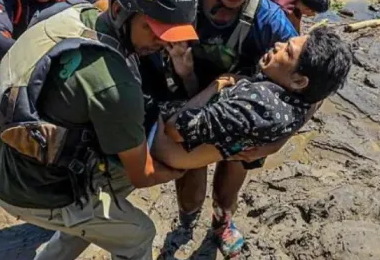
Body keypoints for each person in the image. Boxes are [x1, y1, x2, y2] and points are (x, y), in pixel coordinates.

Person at [0, 0, 201, 260]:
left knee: (99, 217)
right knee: (136, 233)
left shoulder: (78, 14)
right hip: (37, 189)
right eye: (154, 29)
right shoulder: (112, 86)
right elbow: (144, 173)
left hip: (10, 164)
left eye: (172, 34)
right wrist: (186, 165)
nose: (163, 42)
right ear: (119, 10)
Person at [143, 0, 298, 260]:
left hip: (241, 114)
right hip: (188, 104)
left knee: (235, 169)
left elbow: (308, 92)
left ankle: (222, 220)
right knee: (190, 175)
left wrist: (272, 145)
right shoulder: (183, 3)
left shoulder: (269, 20)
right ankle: (187, 219)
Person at [151, 28, 352, 169]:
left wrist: (217, 84)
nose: (277, 45)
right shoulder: (305, 99)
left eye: (287, 52)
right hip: (192, 139)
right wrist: (276, 145)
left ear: (299, 81)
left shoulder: (256, 105)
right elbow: (316, 103)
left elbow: (174, 128)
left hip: (162, 144)